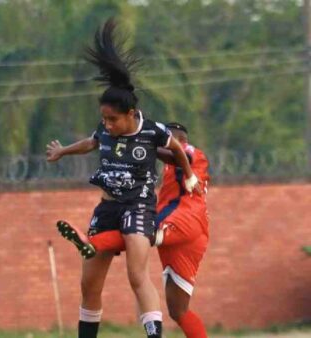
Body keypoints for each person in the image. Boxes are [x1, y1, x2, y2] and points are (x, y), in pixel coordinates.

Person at [46, 19, 201, 338]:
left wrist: (188, 176)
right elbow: (90, 142)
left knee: (136, 275)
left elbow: (178, 151)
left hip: (139, 208)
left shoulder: (152, 131)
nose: (107, 124)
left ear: (131, 114)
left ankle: (153, 335)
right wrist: (63, 151)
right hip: (107, 208)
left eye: (112, 119)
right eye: (104, 118)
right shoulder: (104, 129)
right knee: (89, 283)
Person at [58, 122, 210, 338]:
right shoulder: (170, 168)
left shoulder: (189, 150)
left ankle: (93, 243)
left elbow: (178, 153)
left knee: (139, 231)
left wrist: (141, 141)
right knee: (178, 309)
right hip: (192, 235)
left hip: (184, 220)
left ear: (177, 139)